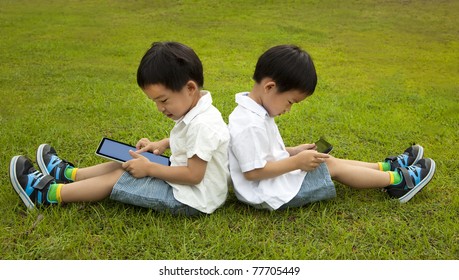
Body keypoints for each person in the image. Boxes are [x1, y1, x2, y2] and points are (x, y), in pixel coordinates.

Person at [9, 41, 230, 216]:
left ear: (190, 88)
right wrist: (161, 143)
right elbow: (193, 140)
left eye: (163, 100)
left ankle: (49, 195)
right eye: (155, 101)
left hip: (191, 199)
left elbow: (193, 175)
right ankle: (68, 175)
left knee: (118, 177)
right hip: (186, 184)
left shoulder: (203, 124)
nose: (160, 108)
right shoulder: (198, 111)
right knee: (124, 162)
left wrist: (150, 169)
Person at [227, 44, 436, 211]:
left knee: (327, 160)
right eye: (290, 102)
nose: (288, 109)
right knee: (330, 167)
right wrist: (295, 163)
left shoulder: (256, 112)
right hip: (268, 193)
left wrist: (292, 152)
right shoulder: (249, 124)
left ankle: (386, 167)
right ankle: (397, 182)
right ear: (270, 87)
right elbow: (253, 172)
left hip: (272, 183)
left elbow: (262, 153)